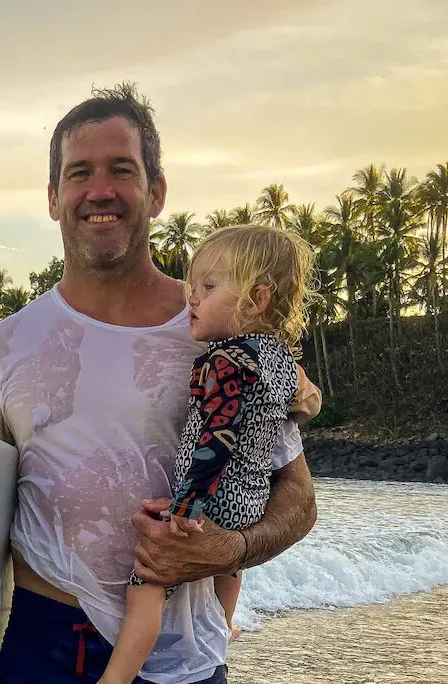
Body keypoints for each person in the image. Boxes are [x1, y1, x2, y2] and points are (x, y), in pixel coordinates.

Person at [0, 82, 321, 684]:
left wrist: (228, 550)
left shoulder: (220, 335)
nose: (100, 190)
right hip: (45, 644)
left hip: (183, 656)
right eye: (79, 174)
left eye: (121, 170)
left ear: (155, 192)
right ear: (53, 197)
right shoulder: (4, 347)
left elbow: (298, 502)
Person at [98, 224, 317, 684]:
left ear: (256, 299)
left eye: (209, 288)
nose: (191, 299)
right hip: (250, 500)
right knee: (227, 563)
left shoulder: (224, 362)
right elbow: (300, 405)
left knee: (148, 586)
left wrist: (183, 509)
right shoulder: (278, 359)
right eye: (193, 287)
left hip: (213, 494)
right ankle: (223, 623)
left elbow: (214, 443)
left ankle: (113, 679)